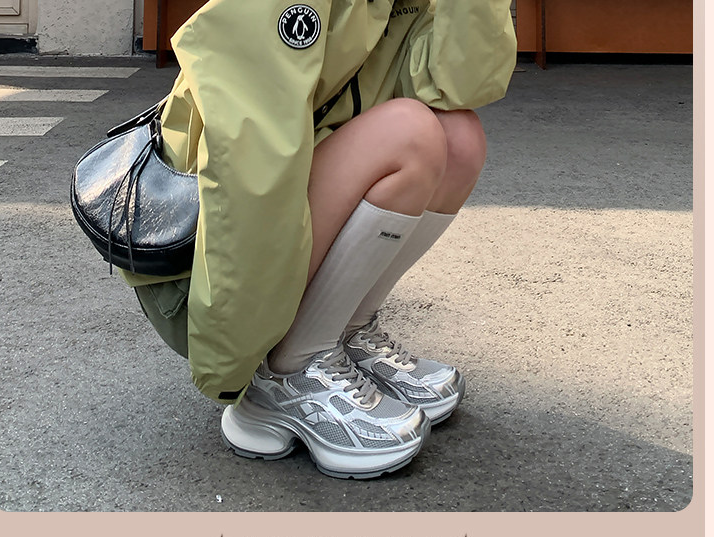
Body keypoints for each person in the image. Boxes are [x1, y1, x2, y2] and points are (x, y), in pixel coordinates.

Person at [124, 0, 517, 478]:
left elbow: (460, 84)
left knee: (459, 138)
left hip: (281, 223)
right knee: (411, 133)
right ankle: (284, 374)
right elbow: (247, 167)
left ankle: (342, 331)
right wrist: (234, 355)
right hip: (206, 262)